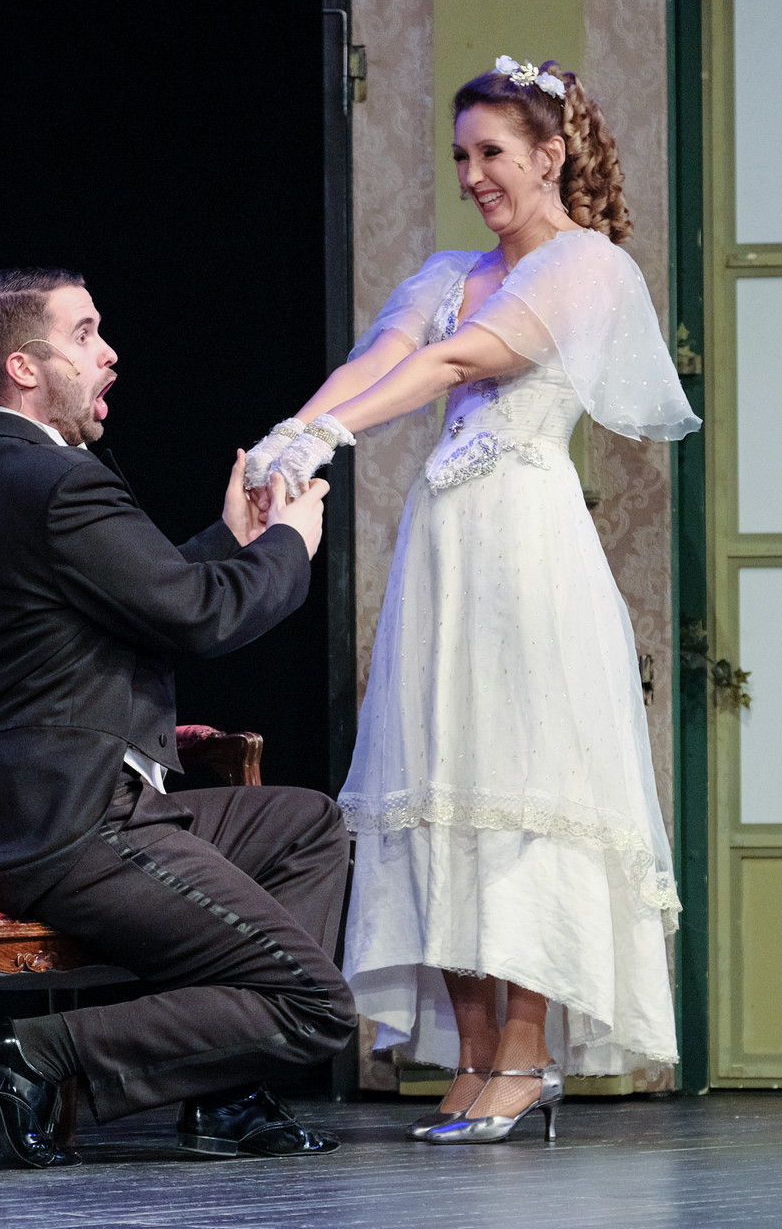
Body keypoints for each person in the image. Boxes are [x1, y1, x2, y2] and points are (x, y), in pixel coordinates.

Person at [246, 57, 700, 1145]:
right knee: (436, 774)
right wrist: (289, 434)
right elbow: (384, 356)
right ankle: (472, 1048)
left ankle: (528, 1053)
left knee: (523, 776)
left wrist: (330, 436)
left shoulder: (588, 265)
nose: (473, 175)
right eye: (461, 156)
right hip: (445, 548)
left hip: (529, 545)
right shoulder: (450, 270)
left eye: (492, 152)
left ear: (550, 156)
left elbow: (461, 362)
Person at [0, 267, 357, 1169]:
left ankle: (225, 1095)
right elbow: (198, 617)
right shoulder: (54, 481)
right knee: (315, 1004)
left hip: (47, 806)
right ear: (24, 366)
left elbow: (139, 597)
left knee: (307, 826)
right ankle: (34, 1055)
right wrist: (287, 547)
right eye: (85, 335)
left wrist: (231, 542)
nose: (108, 354)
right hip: (69, 821)